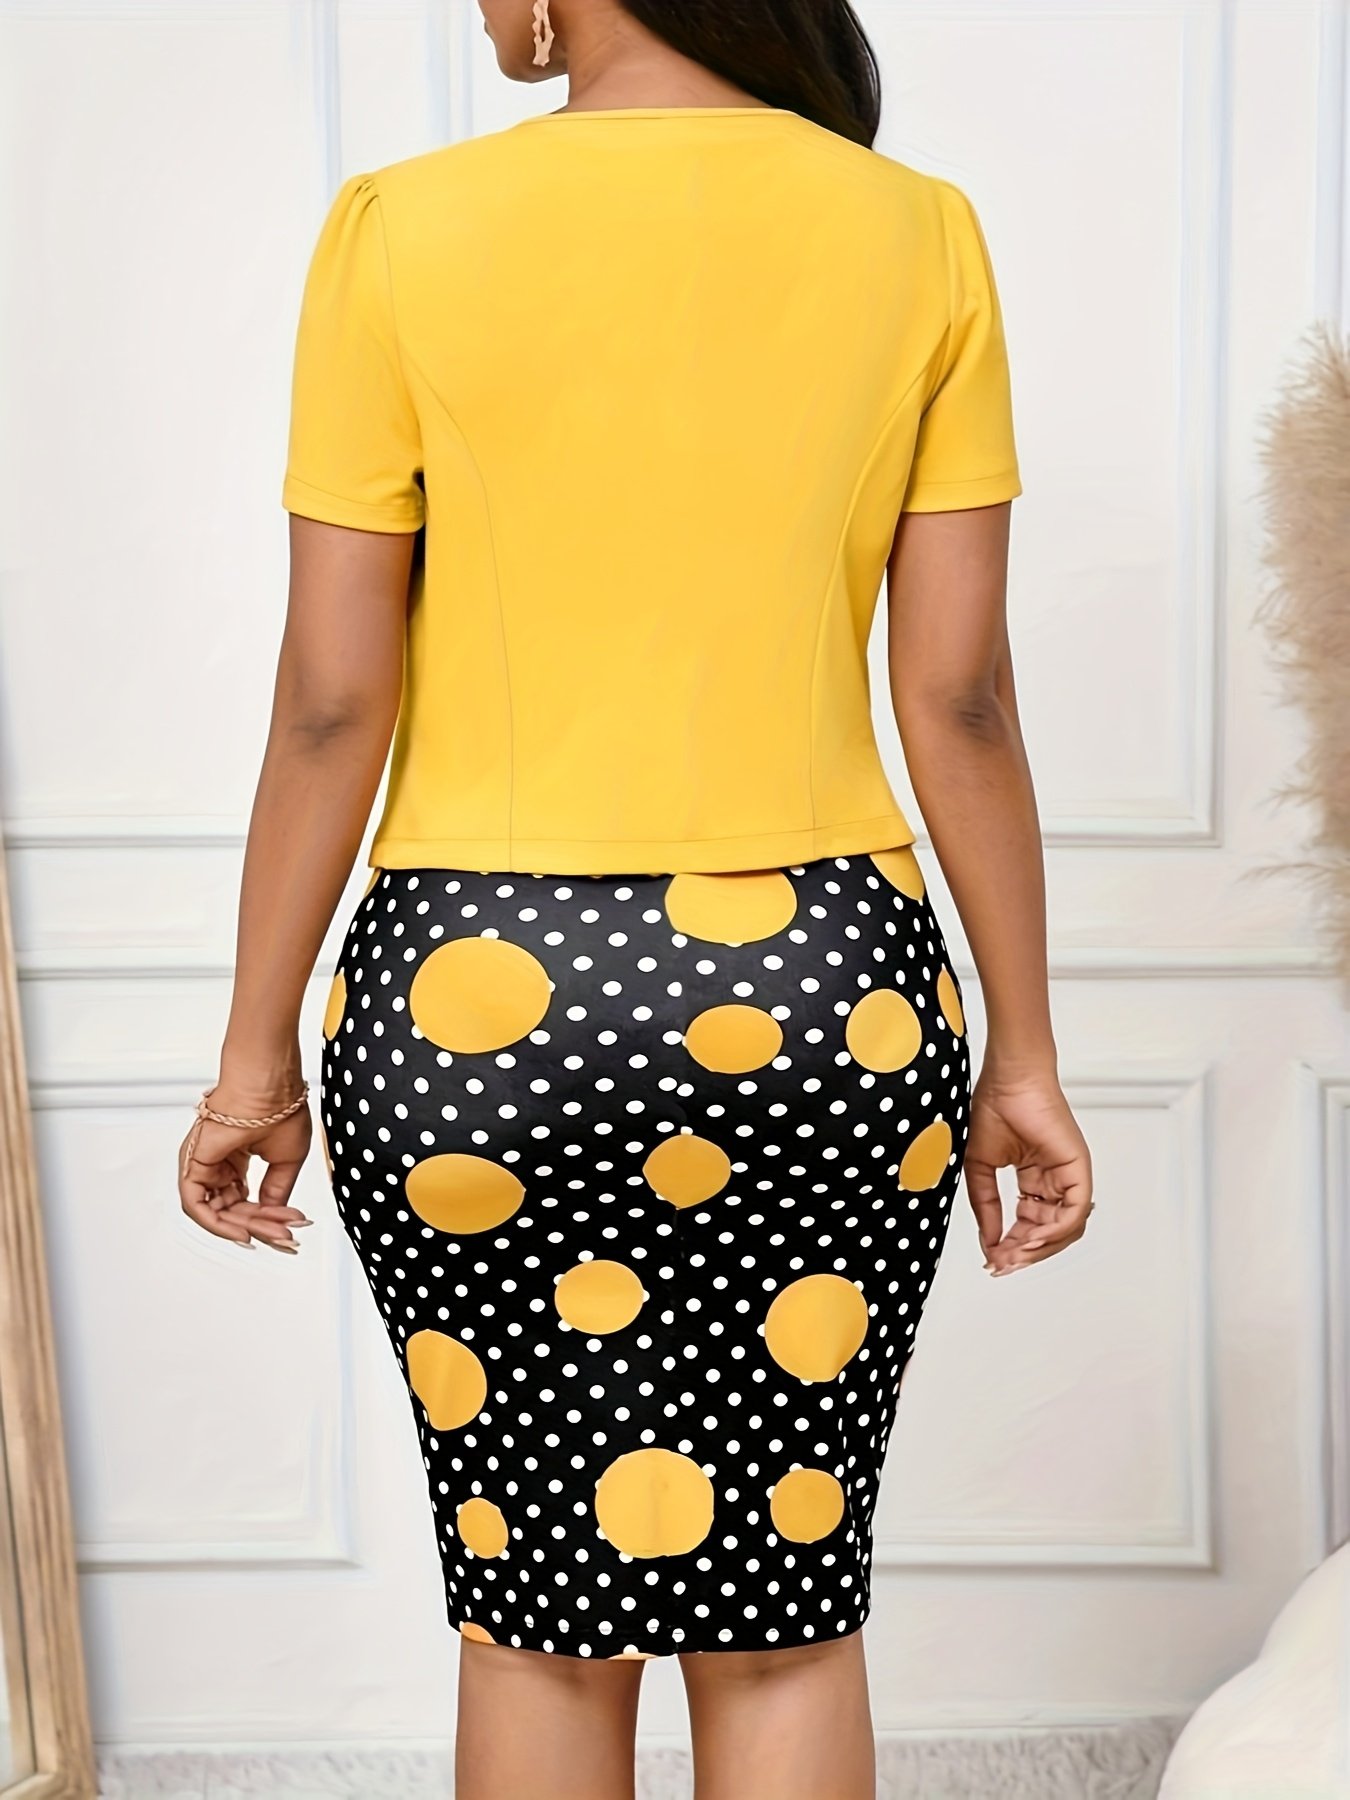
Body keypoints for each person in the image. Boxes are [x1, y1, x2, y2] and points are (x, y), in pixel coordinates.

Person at [175, 2, 1094, 1796]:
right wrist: (1026, 1053)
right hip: (831, 999)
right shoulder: (916, 232)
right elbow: (960, 698)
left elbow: (332, 701)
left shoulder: (401, 228)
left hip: (474, 1000)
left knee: (535, 1616)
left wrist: (252, 1059)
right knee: (783, 1614)